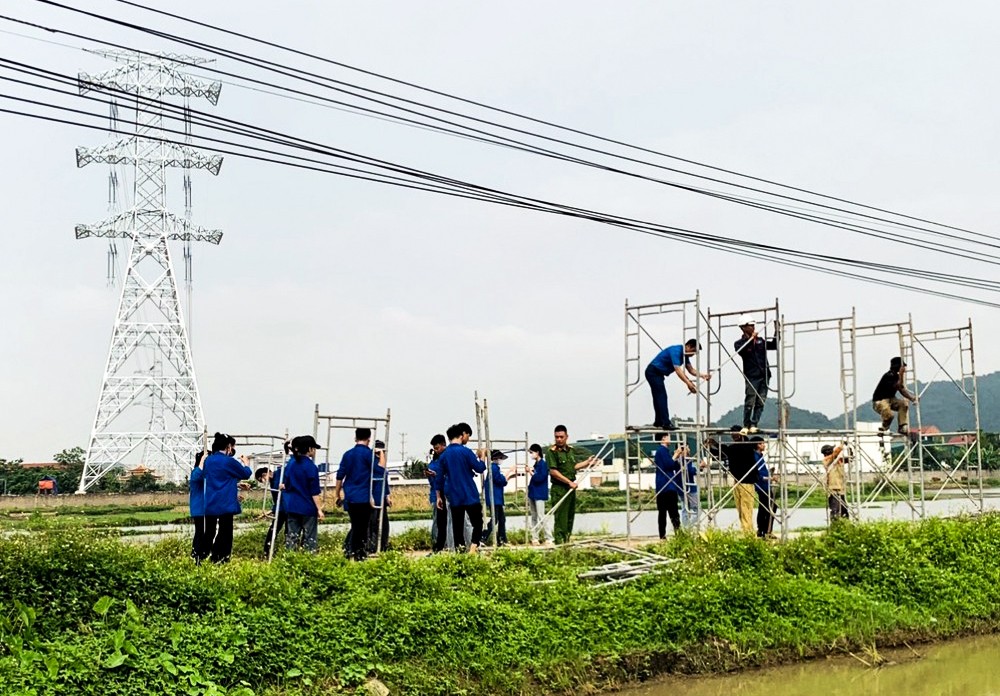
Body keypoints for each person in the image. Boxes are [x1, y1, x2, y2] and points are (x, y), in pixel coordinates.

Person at [435, 422, 487, 553]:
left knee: (457, 527)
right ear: (461, 435)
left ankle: (460, 552)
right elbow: (480, 468)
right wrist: (482, 457)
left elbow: (439, 479)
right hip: (469, 494)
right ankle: (473, 549)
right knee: (478, 523)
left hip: (454, 496)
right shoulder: (466, 452)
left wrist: (438, 497)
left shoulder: (444, 456)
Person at [202, 432, 253, 563]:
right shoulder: (229, 461)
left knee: (209, 532)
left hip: (211, 502)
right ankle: (220, 558)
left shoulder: (209, 461)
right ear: (229, 446)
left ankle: (203, 556)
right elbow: (245, 473)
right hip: (225, 502)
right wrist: (246, 463)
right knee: (225, 532)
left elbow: (218, 477)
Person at [641, 339, 709, 430]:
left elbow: (691, 370)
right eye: (693, 351)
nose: (693, 355)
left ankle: (658, 421)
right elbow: (678, 370)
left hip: (658, 374)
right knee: (661, 396)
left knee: (658, 396)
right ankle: (665, 423)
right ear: (688, 346)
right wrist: (688, 383)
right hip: (653, 372)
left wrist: (702, 375)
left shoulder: (685, 356)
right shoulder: (676, 351)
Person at [547, 424, 597, 544]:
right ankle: (560, 543)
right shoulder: (551, 452)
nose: (559, 439)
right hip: (560, 489)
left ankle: (567, 541)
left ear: (566, 437)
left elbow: (572, 467)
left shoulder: (570, 451)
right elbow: (553, 472)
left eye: (561, 437)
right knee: (561, 519)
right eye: (556, 437)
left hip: (570, 488)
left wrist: (587, 463)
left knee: (570, 517)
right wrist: (569, 482)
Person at [705, 425, 757, 534]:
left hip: (747, 481)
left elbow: (728, 451)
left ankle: (749, 532)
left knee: (746, 508)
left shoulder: (746, 446)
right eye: (732, 434)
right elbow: (724, 453)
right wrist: (711, 447)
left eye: (735, 434)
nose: (733, 436)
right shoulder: (734, 448)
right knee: (740, 509)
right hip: (737, 480)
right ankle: (746, 530)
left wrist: (714, 445)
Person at [335, 428, 377, 560]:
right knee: (363, 527)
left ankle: (350, 551)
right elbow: (379, 471)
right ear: (369, 439)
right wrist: (381, 455)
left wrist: (337, 494)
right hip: (364, 497)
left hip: (351, 496)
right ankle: (360, 553)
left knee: (355, 525)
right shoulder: (369, 454)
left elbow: (340, 475)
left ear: (355, 438)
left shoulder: (347, 454)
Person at [734, 315, 778, 434]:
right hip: (751, 376)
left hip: (764, 374)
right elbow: (742, 351)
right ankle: (746, 424)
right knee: (750, 400)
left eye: (753, 325)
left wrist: (777, 331)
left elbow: (774, 345)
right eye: (750, 325)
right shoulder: (739, 343)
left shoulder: (760, 341)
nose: (753, 327)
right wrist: (750, 340)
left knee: (760, 401)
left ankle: (754, 423)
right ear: (743, 327)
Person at [283, 435, 325, 553]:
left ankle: (289, 560)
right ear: (310, 449)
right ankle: (308, 560)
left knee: (292, 537)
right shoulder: (311, 467)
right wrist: (319, 509)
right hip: (308, 507)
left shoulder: (291, 465)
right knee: (310, 538)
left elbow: (287, 485)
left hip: (293, 505)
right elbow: (314, 491)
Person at [872, 356, 918, 435]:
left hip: (891, 399)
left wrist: (912, 398)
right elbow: (898, 386)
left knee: (903, 404)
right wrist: (901, 374)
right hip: (880, 401)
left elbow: (902, 389)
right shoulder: (888, 376)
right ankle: (884, 426)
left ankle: (902, 426)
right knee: (889, 414)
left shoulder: (896, 376)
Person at [653, 433, 686, 538]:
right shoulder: (661, 451)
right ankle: (669, 534)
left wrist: (678, 458)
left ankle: (668, 534)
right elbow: (669, 465)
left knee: (667, 512)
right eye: (669, 437)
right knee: (671, 512)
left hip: (665, 485)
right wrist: (676, 455)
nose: (670, 439)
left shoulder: (663, 451)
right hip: (666, 485)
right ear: (664, 438)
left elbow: (673, 465)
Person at [426, 434, 449, 552]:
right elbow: (436, 481)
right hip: (438, 495)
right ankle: (439, 545)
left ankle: (447, 545)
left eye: (437, 447)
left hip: (449, 494)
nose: (436, 450)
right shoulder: (434, 463)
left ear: (443, 445)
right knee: (440, 522)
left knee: (449, 521)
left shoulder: (447, 457)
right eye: (434, 449)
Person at [751, 436, 777, 538]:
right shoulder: (755, 457)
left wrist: (770, 474)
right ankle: (766, 530)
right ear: (757, 445)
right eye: (762, 443)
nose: (764, 445)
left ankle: (762, 530)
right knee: (770, 507)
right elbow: (758, 475)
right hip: (762, 485)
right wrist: (770, 478)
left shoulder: (759, 456)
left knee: (764, 507)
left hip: (765, 485)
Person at [483, 450, 510, 546]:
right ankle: (484, 537)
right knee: (496, 519)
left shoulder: (493, 468)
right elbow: (500, 480)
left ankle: (502, 539)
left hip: (496, 498)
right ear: (495, 459)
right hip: (495, 498)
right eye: (500, 458)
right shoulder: (494, 468)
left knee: (501, 519)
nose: (501, 460)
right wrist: (506, 476)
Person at [526, 443, 551, 544]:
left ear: (537, 452)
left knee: (541, 516)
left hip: (539, 494)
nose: (531, 455)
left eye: (532, 452)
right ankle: (535, 537)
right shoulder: (536, 464)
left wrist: (531, 472)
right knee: (534, 516)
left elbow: (540, 478)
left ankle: (549, 537)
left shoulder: (543, 464)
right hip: (533, 493)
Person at [189, 450, 208, 563]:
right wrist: (202, 461)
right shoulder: (196, 471)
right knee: (200, 532)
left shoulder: (204, 474)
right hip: (199, 509)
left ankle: (199, 555)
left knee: (203, 532)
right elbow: (197, 477)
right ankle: (196, 555)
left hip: (204, 509)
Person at [822, 443, 849, 521]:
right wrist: (842, 444)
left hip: (840, 489)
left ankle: (846, 526)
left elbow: (848, 459)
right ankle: (835, 527)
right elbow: (836, 453)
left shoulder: (837, 459)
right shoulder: (826, 460)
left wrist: (850, 451)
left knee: (844, 511)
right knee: (835, 510)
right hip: (833, 490)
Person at [680, 454, 701, 529]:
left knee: (685, 510)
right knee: (698, 510)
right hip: (690, 488)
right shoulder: (685, 459)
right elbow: (690, 471)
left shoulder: (678, 459)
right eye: (687, 447)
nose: (689, 449)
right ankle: (688, 527)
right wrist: (698, 467)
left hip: (681, 488)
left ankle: (685, 527)